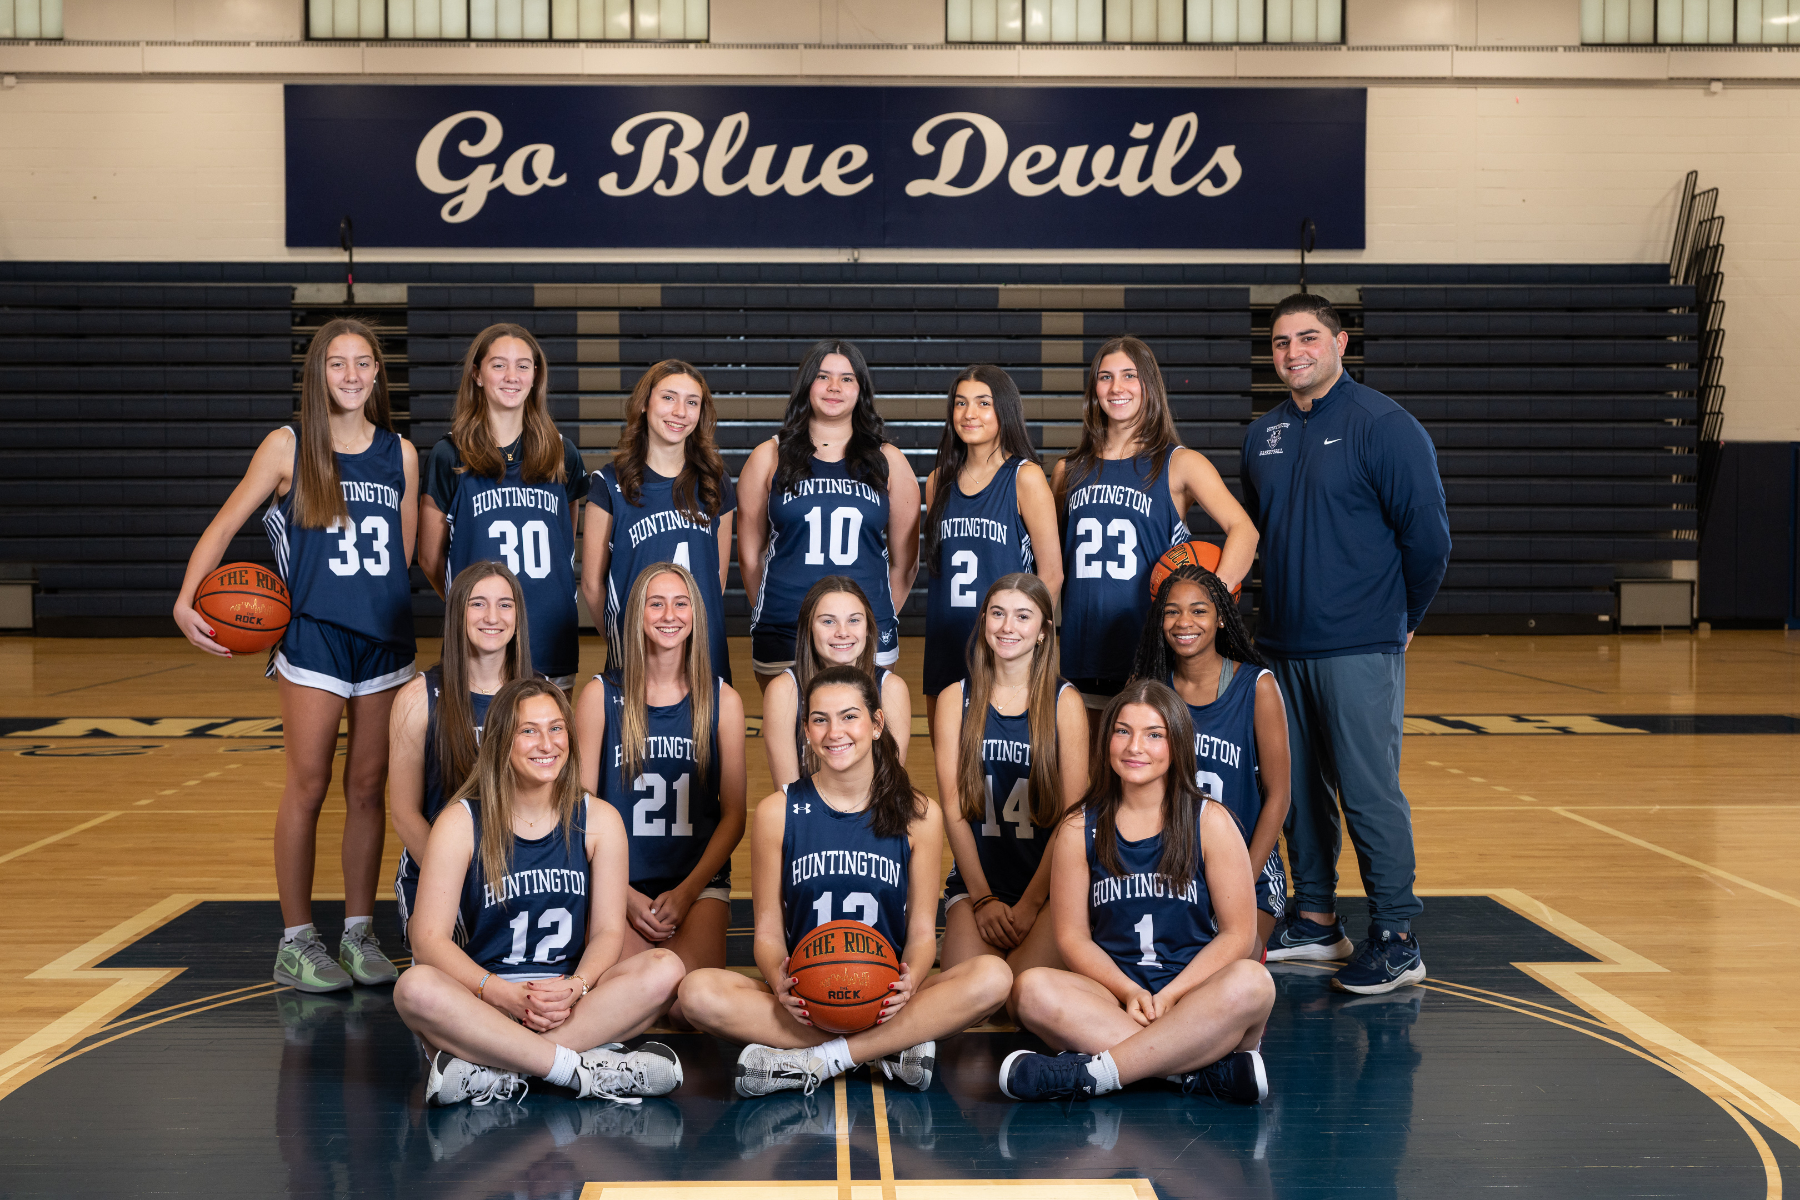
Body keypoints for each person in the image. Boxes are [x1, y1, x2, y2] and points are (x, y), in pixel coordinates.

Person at [173, 318, 416, 993]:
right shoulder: (287, 445)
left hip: (385, 639)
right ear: (318, 373)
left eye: (362, 363)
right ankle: (297, 940)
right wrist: (186, 599)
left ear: (377, 373)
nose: (350, 375)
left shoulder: (401, 454)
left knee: (368, 789)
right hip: (313, 637)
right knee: (308, 785)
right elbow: (224, 524)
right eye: (337, 363)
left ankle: (360, 933)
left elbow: (402, 556)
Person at [1239, 293, 1450, 994]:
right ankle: (1316, 918)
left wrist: (1404, 618)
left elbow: (1429, 541)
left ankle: (1397, 935)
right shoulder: (1262, 436)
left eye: (1307, 338)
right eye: (1280, 342)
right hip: (1281, 645)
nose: (1292, 352)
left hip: (1359, 643)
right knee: (1295, 789)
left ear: (1340, 343)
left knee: (1367, 792)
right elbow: (1262, 535)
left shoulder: (1384, 426)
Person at [677, 666, 1013, 1096]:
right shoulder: (778, 813)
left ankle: (820, 1060)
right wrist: (778, 980)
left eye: (850, 716)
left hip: (885, 998)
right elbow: (767, 932)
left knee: (993, 977)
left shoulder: (918, 815)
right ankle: (884, 1051)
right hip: (807, 998)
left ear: (876, 724)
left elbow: (921, 933)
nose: (835, 732)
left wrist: (910, 980)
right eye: (820, 719)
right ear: (806, 731)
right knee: (697, 992)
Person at [393, 678, 688, 1106]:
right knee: (414, 986)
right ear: (501, 742)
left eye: (556, 728)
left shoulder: (599, 819)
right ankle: (580, 1068)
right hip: (486, 1000)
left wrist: (578, 987)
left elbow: (608, 932)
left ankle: (496, 1068)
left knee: (666, 968)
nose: (546, 744)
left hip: (566, 1002)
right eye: (528, 731)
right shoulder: (460, 822)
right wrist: (502, 994)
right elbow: (427, 940)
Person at [998, 680, 1274, 1104]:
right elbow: (1072, 937)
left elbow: (1238, 934)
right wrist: (1129, 992)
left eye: (1153, 734)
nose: (1134, 747)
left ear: (1177, 744)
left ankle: (1093, 1074)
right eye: (1122, 731)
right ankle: (1194, 1073)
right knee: (1030, 989)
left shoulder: (1210, 821)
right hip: (1114, 997)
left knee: (1254, 982)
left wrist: (1172, 995)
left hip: (1194, 995)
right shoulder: (1078, 827)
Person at [1052, 337, 1258, 747]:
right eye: (1105, 377)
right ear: (1094, 389)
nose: (1117, 387)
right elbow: (1052, 562)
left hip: (1151, 650)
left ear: (1149, 384)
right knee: (1087, 772)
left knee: (1143, 768)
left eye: (1129, 376)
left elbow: (1244, 530)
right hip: (1082, 647)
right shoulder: (1067, 470)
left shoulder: (1179, 462)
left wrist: (1211, 602)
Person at [574, 562, 747, 1025]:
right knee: (630, 999)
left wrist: (688, 892)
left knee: (686, 1007)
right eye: (656, 603)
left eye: (680, 603)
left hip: (696, 885)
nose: (669, 615)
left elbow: (734, 816)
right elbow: (578, 811)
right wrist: (624, 895)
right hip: (618, 881)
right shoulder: (599, 697)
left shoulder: (723, 701)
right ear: (638, 613)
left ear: (695, 614)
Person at [737, 340, 921, 691]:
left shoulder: (889, 460)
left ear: (861, 390)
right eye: (823, 377)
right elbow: (749, 557)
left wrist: (874, 616)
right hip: (785, 626)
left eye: (846, 379)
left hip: (864, 632)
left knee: (858, 725)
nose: (834, 387)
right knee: (790, 725)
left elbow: (906, 564)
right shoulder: (768, 456)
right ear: (807, 384)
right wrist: (775, 609)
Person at [933, 574, 1087, 989]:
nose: (1007, 626)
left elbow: (1073, 819)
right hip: (979, 883)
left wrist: (1031, 903)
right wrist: (982, 898)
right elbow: (953, 810)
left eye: (1023, 616)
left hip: (1049, 887)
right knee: (970, 996)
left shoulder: (1065, 702)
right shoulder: (954, 700)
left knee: (1022, 995)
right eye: (998, 613)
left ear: (1043, 630)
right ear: (984, 620)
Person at [1131, 565, 1291, 953]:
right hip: (1168, 868)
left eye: (1199, 610)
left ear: (1221, 618)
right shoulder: (1147, 691)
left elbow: (1279, 797)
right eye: (1171, 611)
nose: (1184, 622)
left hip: (1246, 867)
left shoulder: (1257, 687)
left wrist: (1239, 881)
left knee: (1231, 968)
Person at [419, 323, 587, 689]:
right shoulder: (450, 454)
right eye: (498, 365)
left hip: (550, 636)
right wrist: (475, 608)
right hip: (481, 644)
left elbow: (564, 543)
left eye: (523, 366)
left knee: (546, 729)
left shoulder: (562, 453)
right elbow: (430, 559)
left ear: (535, 375)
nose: (512, 376)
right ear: (477, 374)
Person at [390, 560, 534, 948]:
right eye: (478, 603)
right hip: (442, 875)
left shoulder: (539, 698)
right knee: (439, 981)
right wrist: (461, 880)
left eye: (505, 604)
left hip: (522, 875)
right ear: (457, 613)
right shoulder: (418, 697)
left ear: (518, 616)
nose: (493, 617)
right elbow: (404, 813)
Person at [921, 366, 1062, 729]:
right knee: (949, 757)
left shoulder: (1025, 477)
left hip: (1004, 647)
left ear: (1005, 409)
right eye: (961, 403)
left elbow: (1051, 574)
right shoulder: (938, 482)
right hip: (946, 642)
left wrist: (1029, 640)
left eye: (983, 403)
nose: (969, 413)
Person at [582, 360, 737, 686]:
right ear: (644, 403)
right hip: (636, 655)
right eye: (668, 397)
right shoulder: (609, 483)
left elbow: (716, 578)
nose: (680, 411)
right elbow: (593, 585)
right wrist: (623, 637)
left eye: (692, 402)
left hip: (704, 651)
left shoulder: (716, 481)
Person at [760, 576, 912, 787]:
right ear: (809, 628)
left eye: (854, 620)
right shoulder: (784, 691)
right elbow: (789, 794)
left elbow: (889, 786)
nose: (842, 632)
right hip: (806, 808)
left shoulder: (891, 689)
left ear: (868, 628)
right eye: (828, 621)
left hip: (874, 808)